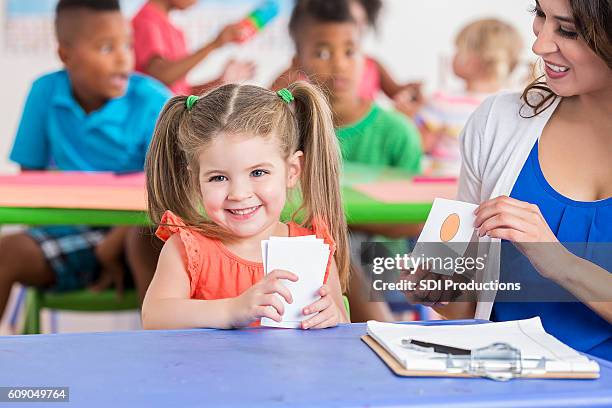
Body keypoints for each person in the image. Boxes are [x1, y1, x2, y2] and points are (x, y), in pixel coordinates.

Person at [406, 0, 612, 360]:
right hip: (501, 382)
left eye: (567, 30)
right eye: (540, 15)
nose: (539, 44)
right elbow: (469, 309)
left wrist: (562, 265)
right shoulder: (497, 123)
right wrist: (438, 291)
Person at [0, 0, 171, 322]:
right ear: (66, 55)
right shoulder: (45, 92)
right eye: (106, 47)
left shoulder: (154, 101)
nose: (124, 58)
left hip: (138, 235)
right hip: (72, 236)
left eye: (128, 44)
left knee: (143, 235)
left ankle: (164, 355)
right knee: (7, 251)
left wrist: (114, 241)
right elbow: (30, 184)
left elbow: (168, 191)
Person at [141, 82, 351, 330]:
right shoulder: (187, 250)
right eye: (218, 178)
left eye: (258, 172)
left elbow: (343, 327)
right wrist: (231, 309)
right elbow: (154, 316)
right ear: (196, 181)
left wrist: (333, 316)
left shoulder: (313, 249)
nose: (239, 194)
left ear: (292, 171)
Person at [416, 18, 523, 175]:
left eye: (458, 50)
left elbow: (422, 144)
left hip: (442, 180)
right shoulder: (515, 103)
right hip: (489, 185)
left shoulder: (443, 101)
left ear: (474, 60)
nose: (453, 55)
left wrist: (408, 115)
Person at [272, 0, 422, 111]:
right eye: (322, 54)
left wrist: (408, 93)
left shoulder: (372, 65)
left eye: (349, 52)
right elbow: (269, 100)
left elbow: (396, 91)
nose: (339, 64)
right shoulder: (297, 73)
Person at [132, 0, 255, 95]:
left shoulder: (175, 31)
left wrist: (221, 82)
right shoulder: (146, 21)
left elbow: (182, 96)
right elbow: (161, 75)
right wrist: (215, 44)